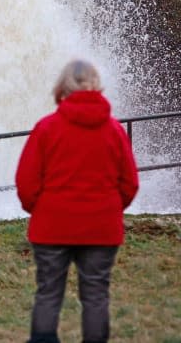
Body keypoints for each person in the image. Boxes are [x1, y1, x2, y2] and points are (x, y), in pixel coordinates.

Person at [15, 59, 139, 343]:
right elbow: (130, 183)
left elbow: (26, 183)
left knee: (48, 291)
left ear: (63, 88)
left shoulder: (46, 128)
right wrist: (108, 208)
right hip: (101, 228)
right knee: (96, 293)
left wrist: (41, 209)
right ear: (96, 86)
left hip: (52, 226)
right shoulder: (114, 131)